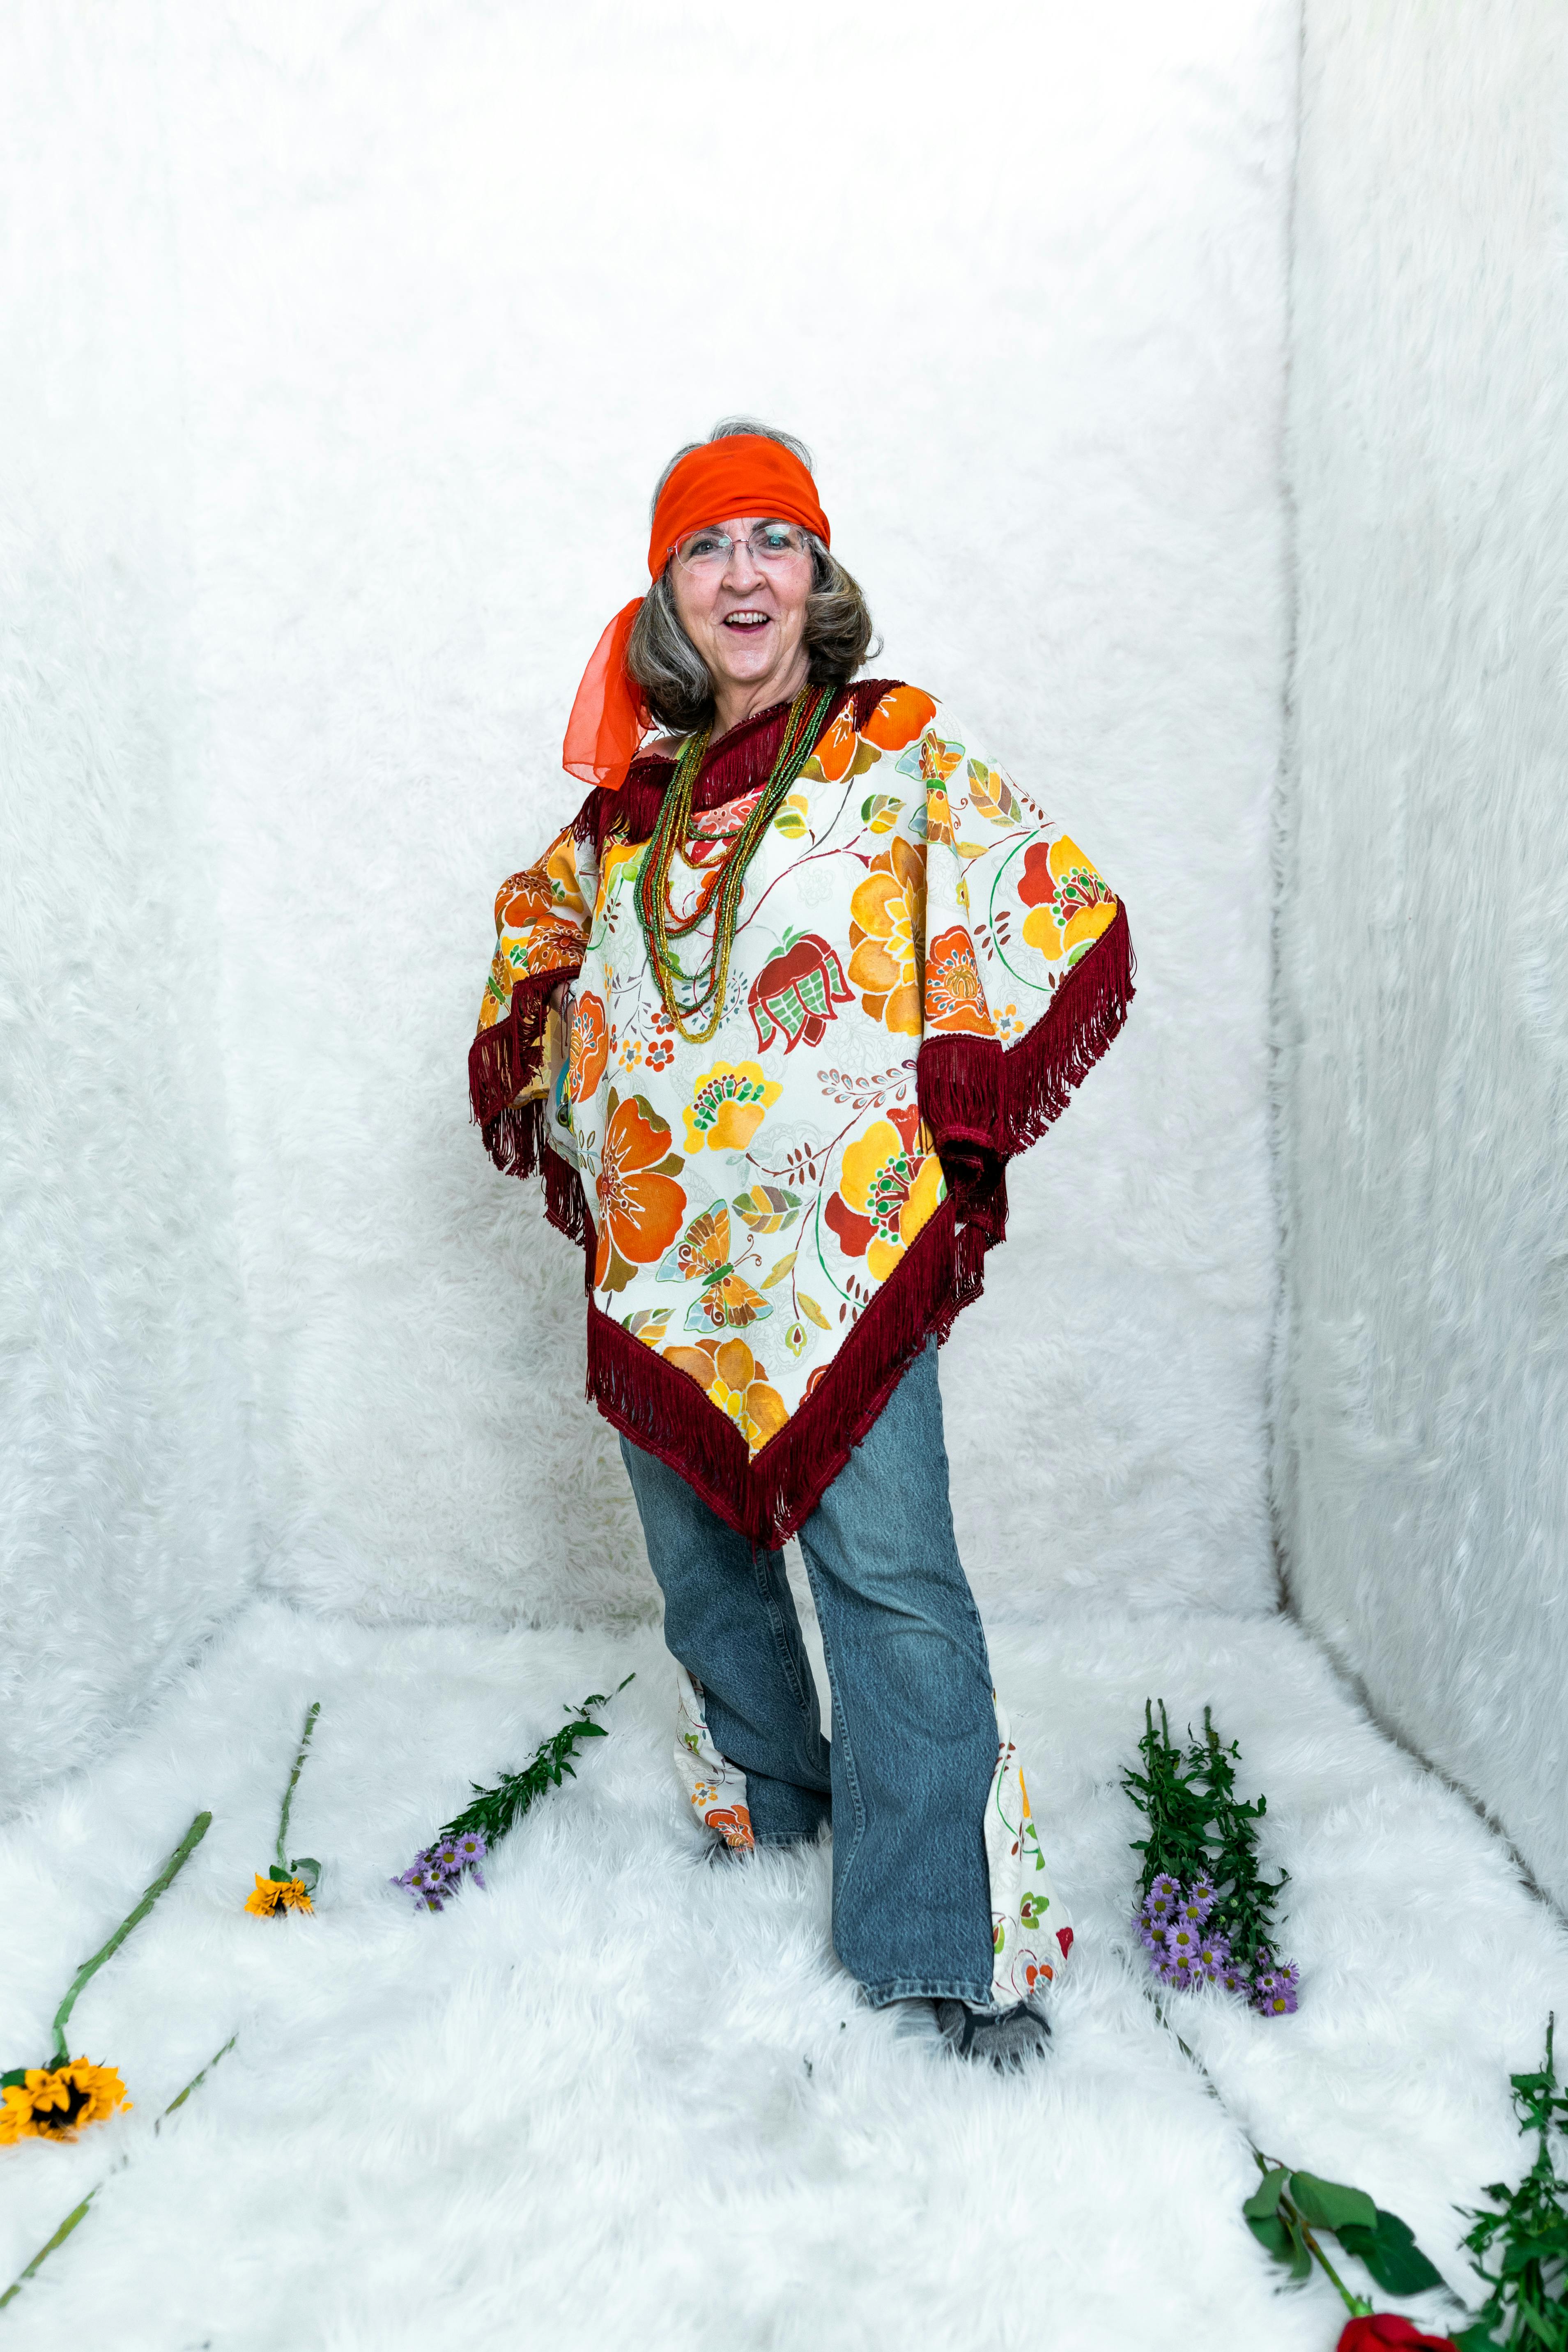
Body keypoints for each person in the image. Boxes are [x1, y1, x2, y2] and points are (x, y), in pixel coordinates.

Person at [470, 421, 1133, 2065]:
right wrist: (559, 1063)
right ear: (668, 592)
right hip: (665, 1255)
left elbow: (1047, 902)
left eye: (774, 540)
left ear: (816, 575)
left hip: (837, 1259)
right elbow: (541, 944)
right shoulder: (632, 806)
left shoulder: (895, 760)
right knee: (702, 1561)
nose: (743, 572)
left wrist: (945, 1097)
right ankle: (769, 1799)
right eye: (708, 546)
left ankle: (940, 1933)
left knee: (889, 1577)